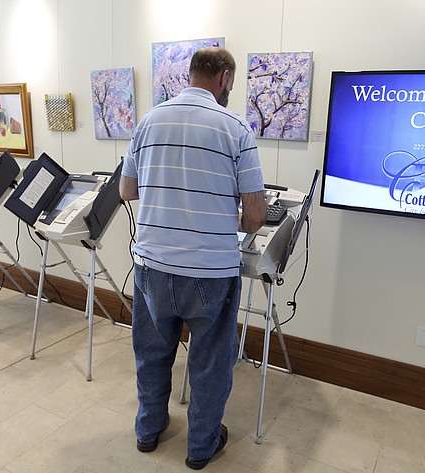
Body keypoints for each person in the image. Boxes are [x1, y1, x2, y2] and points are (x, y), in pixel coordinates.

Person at [120, 46, 267, 470]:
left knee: (151, 352)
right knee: (210, 361)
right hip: (209, 272)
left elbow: (127, 192)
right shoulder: (235, 127)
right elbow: (255, 216)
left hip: (151, 267)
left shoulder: (148, 121)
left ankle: (148, 429)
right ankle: (201, 446)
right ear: (223, 78)